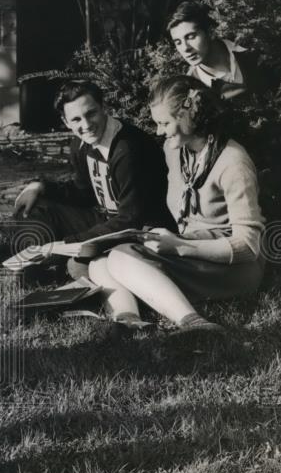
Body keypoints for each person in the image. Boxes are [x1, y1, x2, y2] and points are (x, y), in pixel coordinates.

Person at [92, 75, 266, 333]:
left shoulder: (233, 162)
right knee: (100, 262)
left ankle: (193, 322)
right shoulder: (174, 150)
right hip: (190, 246)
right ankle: (129, 321)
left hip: (232, 265)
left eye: (164, 123)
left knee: (120, 257)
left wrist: (180, 247)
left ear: (189, 117)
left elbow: (248, 246)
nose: (159, 131)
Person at [13, 80, 174, 275]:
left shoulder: (128, 149)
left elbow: (131, 219)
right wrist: (40, 186)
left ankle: (60, 263)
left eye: (91, 113)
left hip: (141, 232)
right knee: (34, 207)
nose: (86, 125)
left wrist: (70, 243)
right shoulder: (81, 144)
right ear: (65, 122)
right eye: (76, 120)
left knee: (78, 266)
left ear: (104, 108)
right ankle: (34, 263)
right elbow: (84, 193)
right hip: (108, 222)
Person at [166, 0, 275, 103]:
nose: (185, 48)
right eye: (178, 42)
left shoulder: (251, 45)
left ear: (210, 32)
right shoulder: (191, 90)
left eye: (191, 36)